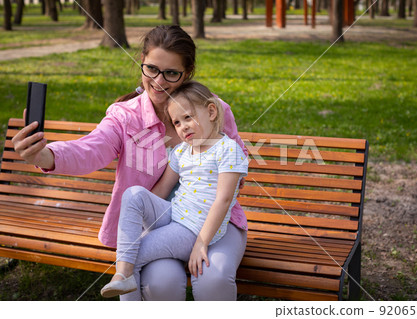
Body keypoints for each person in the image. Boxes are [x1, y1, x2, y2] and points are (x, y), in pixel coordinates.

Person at [11, 25, 249, 301]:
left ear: (188, 73)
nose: (159, 80)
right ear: (142, 64)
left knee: (214, 277)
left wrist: (200, 232)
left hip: (215, 223)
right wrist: (44, 155)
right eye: (151, 69)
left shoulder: (214, 110)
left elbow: (232, 174)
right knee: (162, 283)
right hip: (160, 224)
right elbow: (90, 149)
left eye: (171, 73)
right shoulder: (126, 117)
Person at [100, 81, 248, 298]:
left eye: (188, 117)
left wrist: (201, 243)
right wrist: (141, 216)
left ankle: (124, 277)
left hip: (193, 229)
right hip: (175, 217)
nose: (183, 127)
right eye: (177, 122)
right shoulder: (182, 151)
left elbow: (223, 200)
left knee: (133, 255)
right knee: (133, 194)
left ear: (211, 111)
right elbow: (161, 189)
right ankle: (124, 275)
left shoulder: (228, 149)